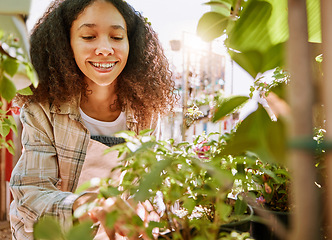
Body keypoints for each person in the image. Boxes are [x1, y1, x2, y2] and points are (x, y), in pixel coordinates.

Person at [9, 0, 177, 239]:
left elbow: (150, 183)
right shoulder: (42, 108)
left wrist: (145, 208)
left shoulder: (146, 109)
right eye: (88, 37)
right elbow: (32, 192)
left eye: (117, 37)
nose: (105, 48)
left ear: (133, 44)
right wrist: (90, 205)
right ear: (65, 44)